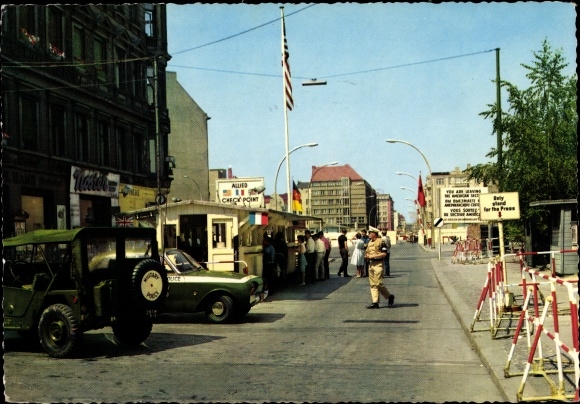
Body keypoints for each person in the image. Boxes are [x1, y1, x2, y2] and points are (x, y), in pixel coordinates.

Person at [364, 229, 394, 309]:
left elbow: (384, 254)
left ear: (374, 234)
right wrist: (367, 255)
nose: (369, 234)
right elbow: (367, 252)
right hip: (370, 264)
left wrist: (373, 256)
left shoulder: (381, 242)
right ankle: (375, 302)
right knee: (372, 284)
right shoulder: (369, 242)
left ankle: (389, 296)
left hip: (378, 264)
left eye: (370, 233)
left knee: (378, 283)